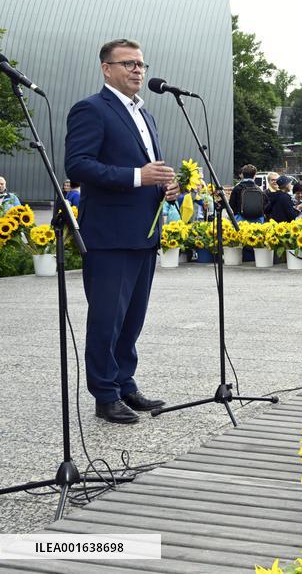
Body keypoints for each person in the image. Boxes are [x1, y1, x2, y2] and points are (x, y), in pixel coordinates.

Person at [64, 38, 178, 424]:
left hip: (144, 232)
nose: (137, 70)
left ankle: (124, 382)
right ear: (106, 68)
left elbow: (147, 171)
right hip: (109, 234)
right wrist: (137, 176)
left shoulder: (146, 114)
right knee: (107, 317)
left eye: (141, 64)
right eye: (128, 63)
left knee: (132, 317)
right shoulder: (91, 109)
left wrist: (164, 183)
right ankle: (105, 394)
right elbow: (77, 164)